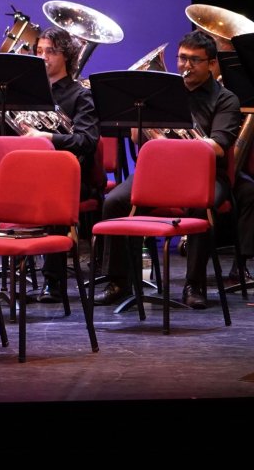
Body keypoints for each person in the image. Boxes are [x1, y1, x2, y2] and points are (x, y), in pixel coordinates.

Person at [95, 30, 242, 309]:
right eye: (182, 58)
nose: (186, 66)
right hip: (160, 175)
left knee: (204, 205)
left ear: (212, 64)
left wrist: (171, 144)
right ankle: (118, 281)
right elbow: (139, 138)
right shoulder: (162, 93)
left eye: (194, 60)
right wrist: (145, 126)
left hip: (206, 176)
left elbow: (217, 146)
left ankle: (194, 284)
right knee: (113, 202)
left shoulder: (226, 100)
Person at [17, 29, 101, 304]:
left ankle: (53, 282)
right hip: (30, 174)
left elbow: (87, 141)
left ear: (66, 56)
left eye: (50, 51)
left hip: (71, 179)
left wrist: (49, 137)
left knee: (52, 196)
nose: (42, 57)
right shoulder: (27, 93)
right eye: (39, 51)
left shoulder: (81, 96)